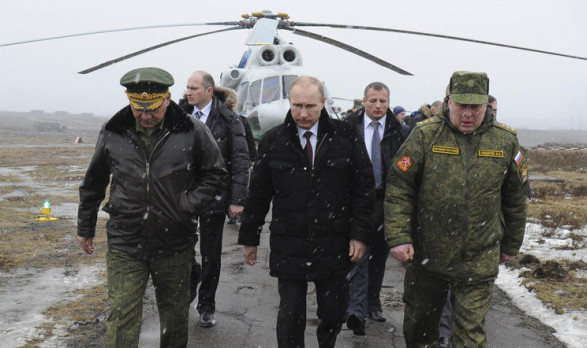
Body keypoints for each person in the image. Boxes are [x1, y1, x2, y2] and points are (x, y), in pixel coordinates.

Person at [77, 67, 227, 347]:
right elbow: (93, 182)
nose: (145, 116)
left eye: (153, 109)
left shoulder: (192, 130)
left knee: (174, 320)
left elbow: (215, 175)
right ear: (130, 101)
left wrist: (187, 205)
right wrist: (85, 226)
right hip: (125, 242)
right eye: (138, 109)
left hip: (175, 244)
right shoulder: (113, 130)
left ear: (168, 98)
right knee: (122, 318)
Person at [385, 71, 528, 347]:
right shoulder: (425, 135)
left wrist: (511, 244)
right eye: (462, 105)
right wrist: (399, 236)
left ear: (487, 106)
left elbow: (515, 196)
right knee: (419, 331)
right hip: (428, 255)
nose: (468, 113)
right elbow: (399, 187)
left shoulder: (505, 140)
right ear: (448, 101)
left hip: (479, 257)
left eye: (476, 107)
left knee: (470, 337)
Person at [238, 76, 375, 348]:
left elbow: (364, 189)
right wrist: (249, 238)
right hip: (290, 242)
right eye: (297, 105)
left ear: (323, 103)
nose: (303, 113)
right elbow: (258, 195)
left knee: (333, 312)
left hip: (334, 242)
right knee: (290, 315)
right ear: (289, 103)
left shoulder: (346, 137)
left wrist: (360, 235)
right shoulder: (273, 141)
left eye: (310, 106)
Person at [181, 70, 250, 328]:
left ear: (209, 91)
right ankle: (190, 278)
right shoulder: (179, 117)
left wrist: (237, 199)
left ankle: (206, 305)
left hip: (214, 195)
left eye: (194, 88)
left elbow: (241, 162)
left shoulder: (229, 120)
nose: (188, 92)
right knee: (183, 250)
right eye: (187, 87)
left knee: (211, 254)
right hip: (183, 197)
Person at [344, 82, 409, 336]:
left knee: (379, 255)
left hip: (386, 199)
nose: (378, 105)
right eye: (373, 101)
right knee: (357, 252)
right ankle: (356, 309)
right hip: (356, 199)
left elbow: (407, 164)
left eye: (383, 101)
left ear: (388, 102)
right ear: (364, 101)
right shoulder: (348, 128)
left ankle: (372, 302)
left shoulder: (400, 131)